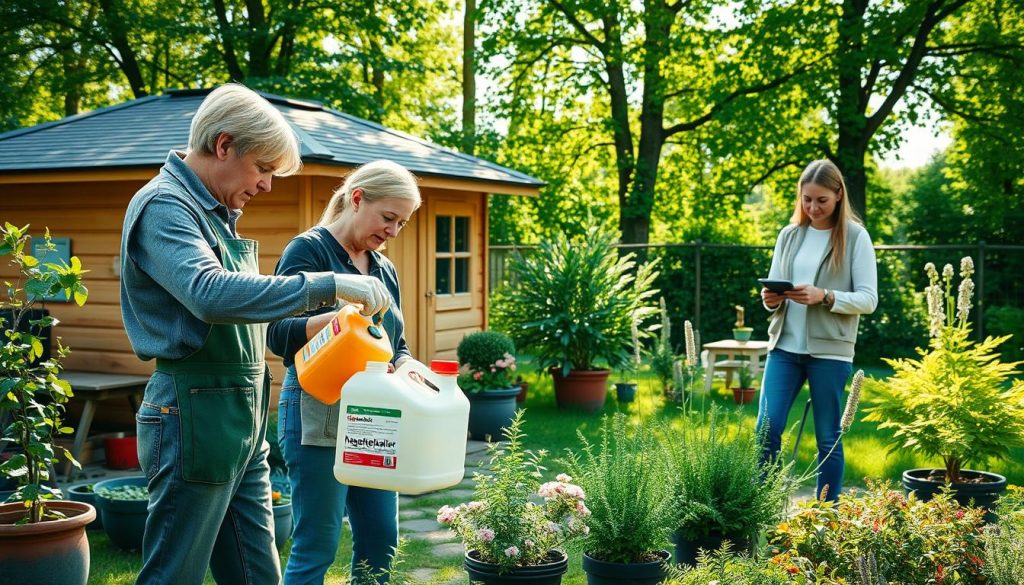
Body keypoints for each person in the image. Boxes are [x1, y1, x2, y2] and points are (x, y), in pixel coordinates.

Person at [119, 83, 393, 585]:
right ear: (224, 145)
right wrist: (329, 283)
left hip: (240, 416)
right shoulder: (164, 205)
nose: (267, 185)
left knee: (255, 573)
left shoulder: (216, 214)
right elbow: (209, 292)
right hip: (192, 415)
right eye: (263, 168)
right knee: (174, 573)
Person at [267, 160, 420, 584]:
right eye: (388, 217)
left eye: (401, 224)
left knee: (380, 537)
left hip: (373, 413)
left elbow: (396, 344)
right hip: (317, 408)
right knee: (318, 541)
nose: (392, 231)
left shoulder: (383, 269)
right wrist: (339, 319)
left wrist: (411, 368)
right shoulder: (310, 250)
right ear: (357, 199)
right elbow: (277, 334)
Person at [755, 159, 878, 501]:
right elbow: (775, 294)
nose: (813, 207)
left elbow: (868, 300)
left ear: (839, 194)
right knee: (766, 429)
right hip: (784, 348)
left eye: (821, 200)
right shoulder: (790, 235)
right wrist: (771, 298)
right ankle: (757, 511)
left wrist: (824, 296)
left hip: (830, 352)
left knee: (828, 438)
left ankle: (827, 516)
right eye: (807, 199)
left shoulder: (855, 236)